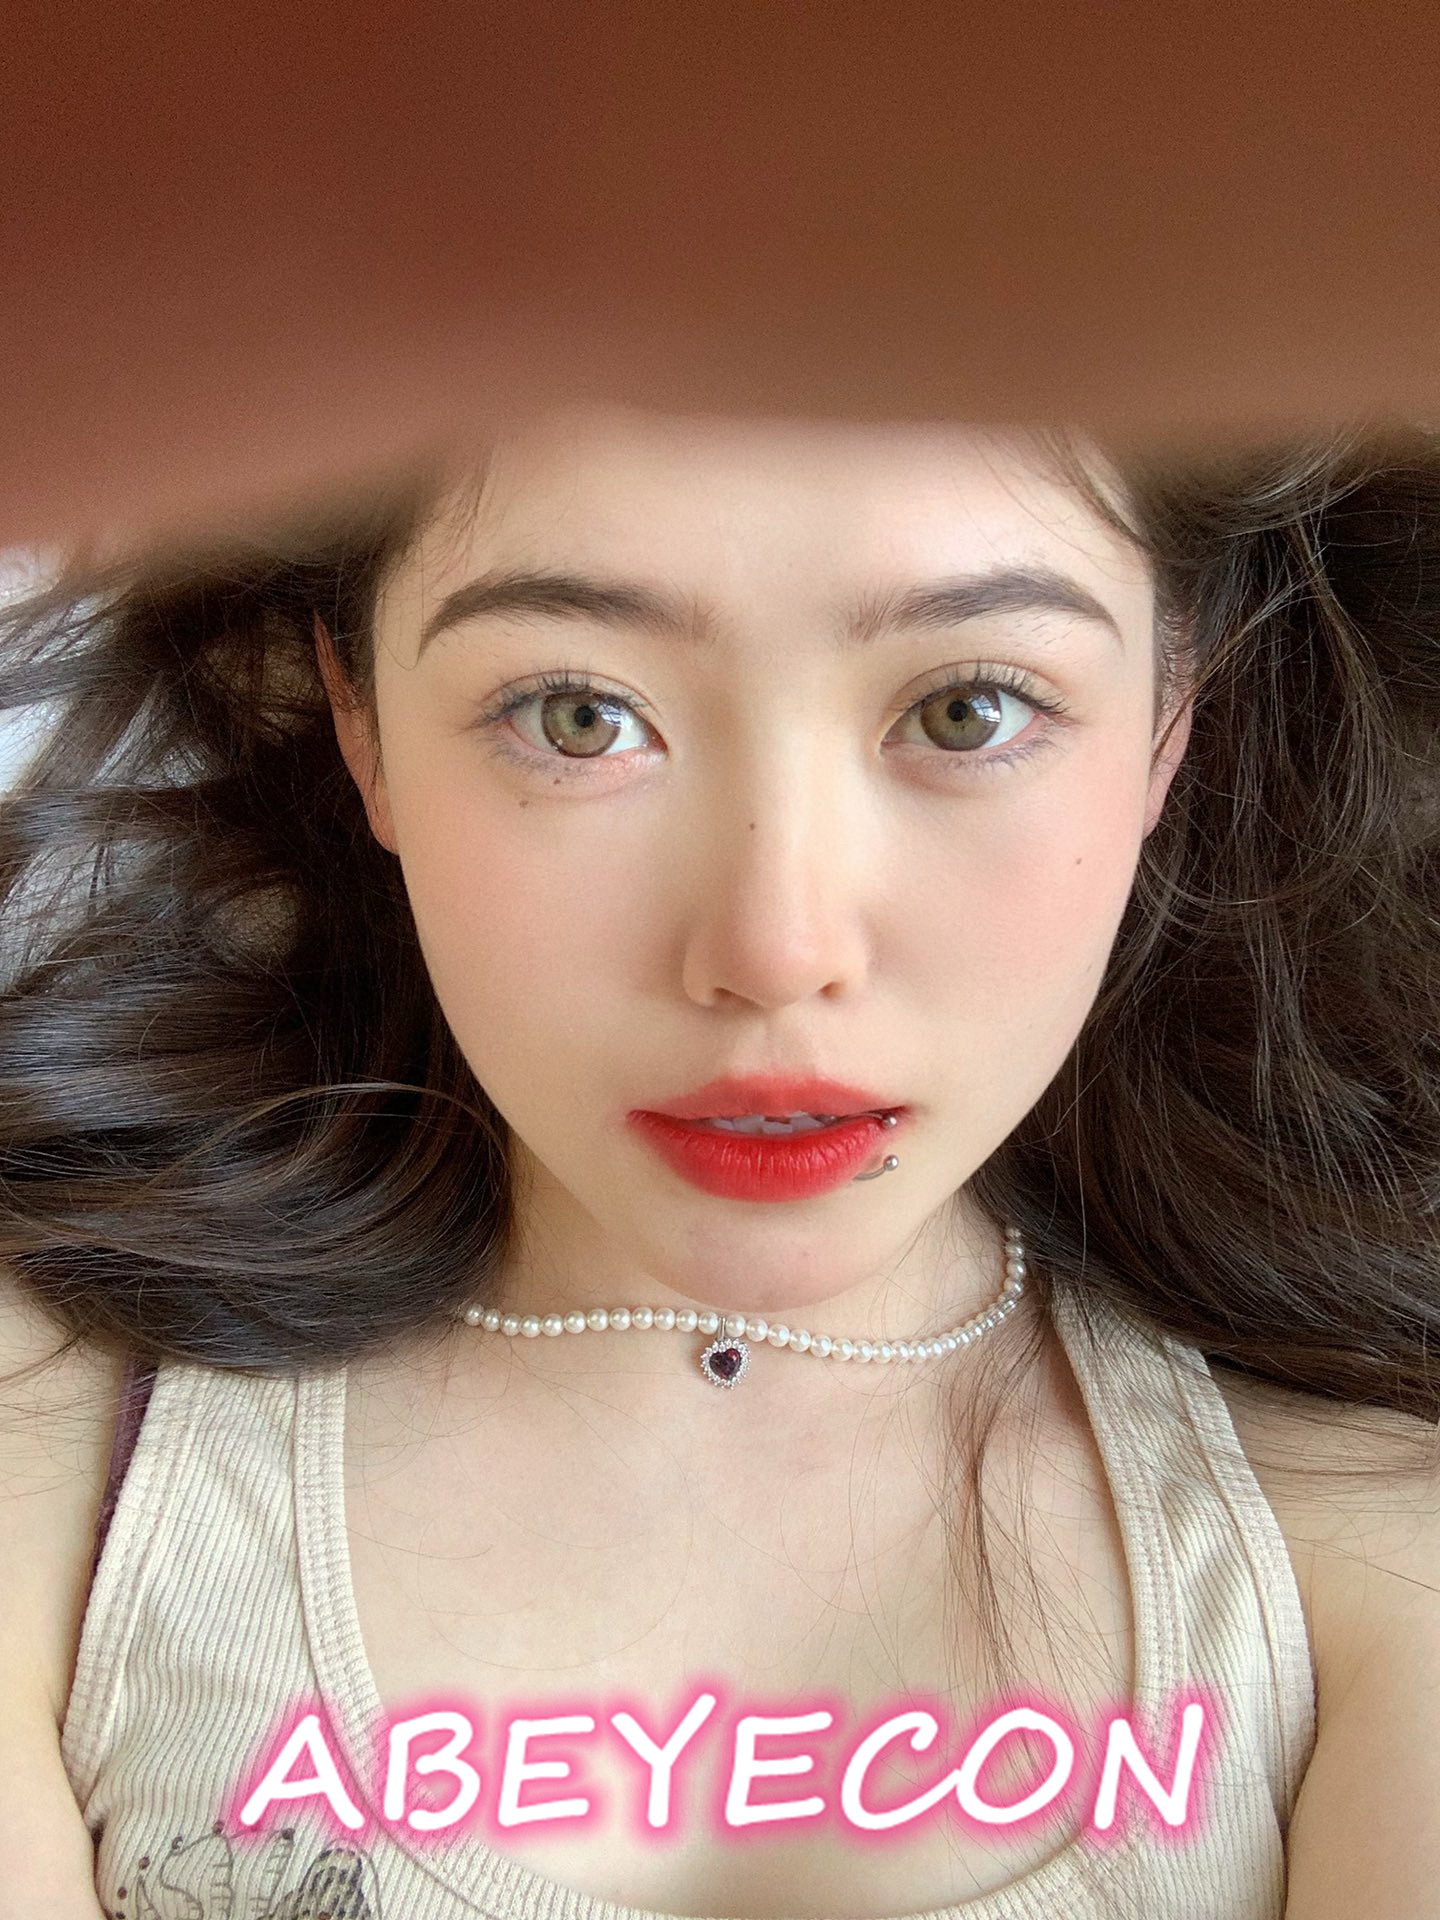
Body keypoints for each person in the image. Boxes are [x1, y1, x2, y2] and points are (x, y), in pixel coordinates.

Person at [0, 406, 1437, 1920]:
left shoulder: (1366, 1520)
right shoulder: (55, 1434)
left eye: (967, 712)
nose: (774, 949)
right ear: (360, 722)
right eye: (578, 717)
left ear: (1168, 714)